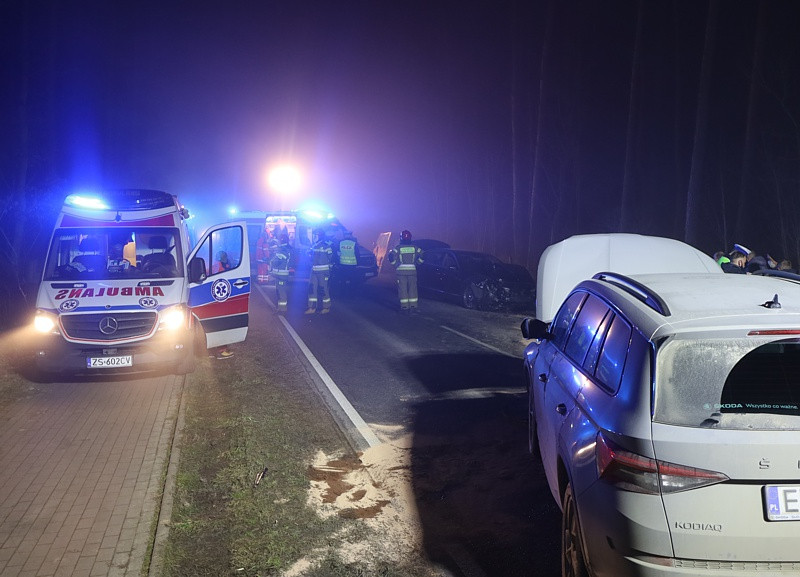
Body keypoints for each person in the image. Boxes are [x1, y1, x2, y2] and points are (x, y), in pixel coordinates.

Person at [387, 229, 424, 313]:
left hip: (401, 272)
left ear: (401, 238)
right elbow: (423, 255)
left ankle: (404, 308)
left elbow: (391, 257)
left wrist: (395, 264)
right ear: (410, 238)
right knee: (413, 289)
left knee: (403, 289)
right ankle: (413, 307)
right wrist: (417, 263)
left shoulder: (398, 248)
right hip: (412, 272)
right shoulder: (415, 248)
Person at [306, 229, 334, 314]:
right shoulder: (314, 245)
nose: (314, 237)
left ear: (320, 236)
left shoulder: (326, 246)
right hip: (314, 270)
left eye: (316, 235)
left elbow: (331, 258)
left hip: (323, 271)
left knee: (323, 289)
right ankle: (312, 307)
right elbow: (311, 257)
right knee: (312, 289)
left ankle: (326, 307)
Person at [270, 234, 292, 312]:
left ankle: (282, 309)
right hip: (281, 274)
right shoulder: (286, 248)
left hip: (281, 274)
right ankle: (280, 308)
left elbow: (276, 261)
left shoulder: (283, 250)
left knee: (281, 291)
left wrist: (270, 262)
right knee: (279, 290)